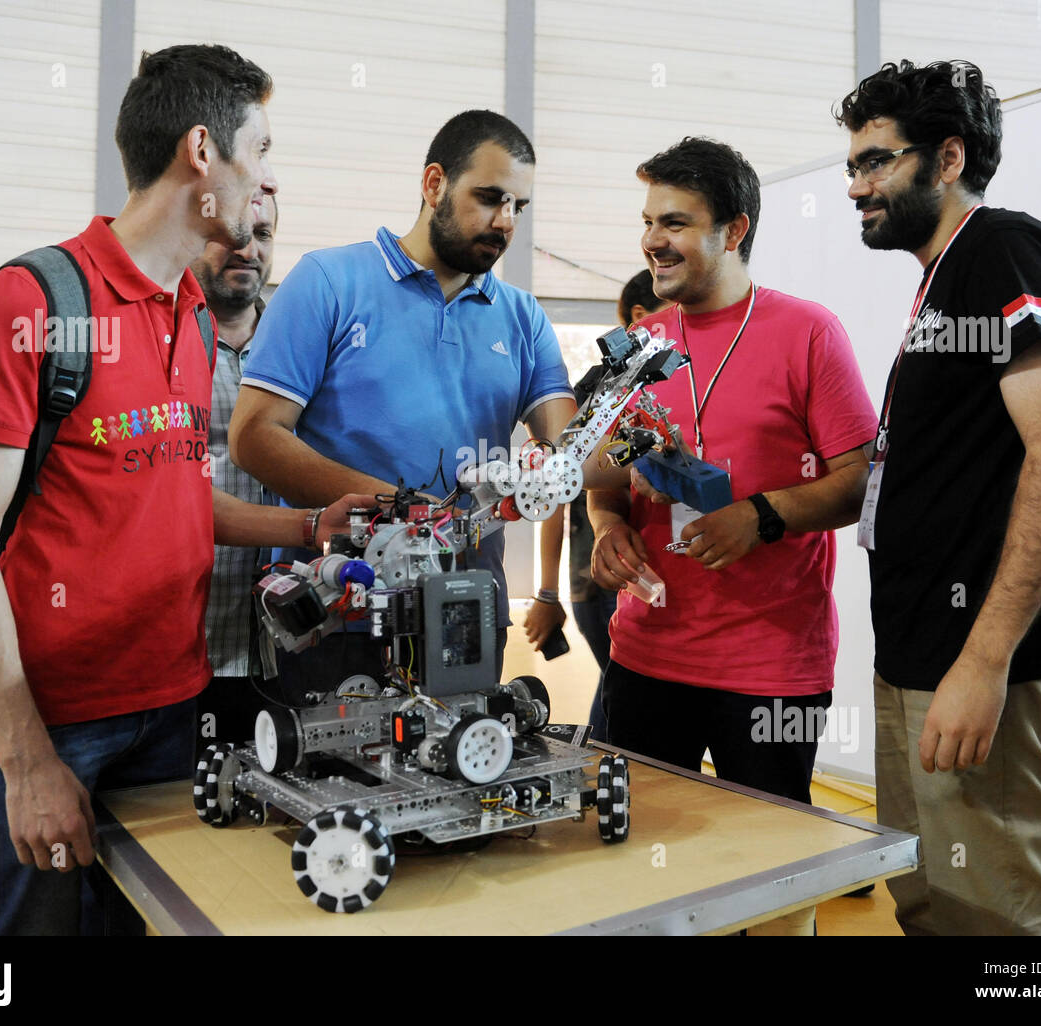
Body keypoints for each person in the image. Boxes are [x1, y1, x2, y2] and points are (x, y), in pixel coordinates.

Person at [0, 45, 370, 935]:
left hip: (174, 714)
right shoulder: (33, 302)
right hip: (55, 725)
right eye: (264, 149)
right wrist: (26, 763)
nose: (270, 179)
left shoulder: (195, 318)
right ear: (203, 153)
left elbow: (172, 499)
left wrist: (310, 522)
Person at [835, 60, 1041, 935]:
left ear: (946, 158)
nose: (856, 187)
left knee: (1002, 919)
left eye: (876, 162)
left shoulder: (1002, 248)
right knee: (933, 899)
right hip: (921, 655)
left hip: (989, 661)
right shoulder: (942, 278)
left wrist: (984, 662)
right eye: (851, 167)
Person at [588, 138, 878, 931]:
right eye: (648, 221)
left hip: (769, 666)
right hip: (647, 655)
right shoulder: (639, 346)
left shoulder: (808, 333)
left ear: (734, 228)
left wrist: (762, 516)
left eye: (675, 222)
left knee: (774, 877)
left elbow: (862, 478)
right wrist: (607, 524)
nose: (652, 240)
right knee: (638, 868)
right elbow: (601, 476)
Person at [230, 109, 575, 687]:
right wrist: (406, 511)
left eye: (518, 206)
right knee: (327, 775)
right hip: (337, 612)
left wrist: (641, 453)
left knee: (465, 769)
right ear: (434, 184)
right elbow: (254, 437)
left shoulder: (522, 316)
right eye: (489, 197)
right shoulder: (328, 281)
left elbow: (570, 450)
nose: (505, 221)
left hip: (465, 613)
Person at [524, 270, 667, 742]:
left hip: (638, 575)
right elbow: (560, 486)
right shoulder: (604, 390)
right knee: (621, 692)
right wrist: (547, 593)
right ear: (642, 320)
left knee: (618, 692)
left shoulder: (669, 382)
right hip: (606, 577)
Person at [192, 194, 279, 748]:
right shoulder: (159, 342)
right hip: (185, 649)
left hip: (281, 653)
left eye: (263, 235)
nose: (248, 249)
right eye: (232, 233)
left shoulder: (302, 344)